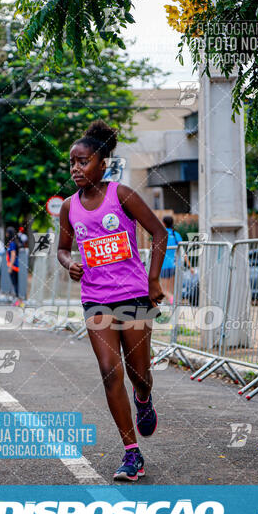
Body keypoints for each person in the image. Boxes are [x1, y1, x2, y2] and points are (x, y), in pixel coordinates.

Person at [58, 121, 168, 481]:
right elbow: (61, 249)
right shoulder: (69, 208)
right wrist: (69, 263)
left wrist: (153, 280)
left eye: (83, 161)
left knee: (139, 373)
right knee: (109, 370)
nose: (76, 168)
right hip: (96, 300)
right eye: (72, 162)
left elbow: (158, 231)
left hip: (134, 296)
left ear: (102, 163)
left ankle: (143, 397)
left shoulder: (121, 195)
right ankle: (131, 453)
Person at [160, 216, 194, 303]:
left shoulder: (161, 234)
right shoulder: (176, 235)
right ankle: (174, 305)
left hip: (164, 266)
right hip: (175, 265)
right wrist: (190, 267)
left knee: (163, 290)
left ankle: (173, 301)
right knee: (171, 290)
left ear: (163, 223)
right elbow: (183, 253)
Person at [5, 226, 20, 297]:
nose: (6, 234)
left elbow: (13, 255)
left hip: (14, 266)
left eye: (7, 232)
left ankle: (17, 298)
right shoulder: (14, 242)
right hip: (15, 266)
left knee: (15, 282)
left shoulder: (12, 243)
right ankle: (17, 297)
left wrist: (10, 267)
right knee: (16, 282)